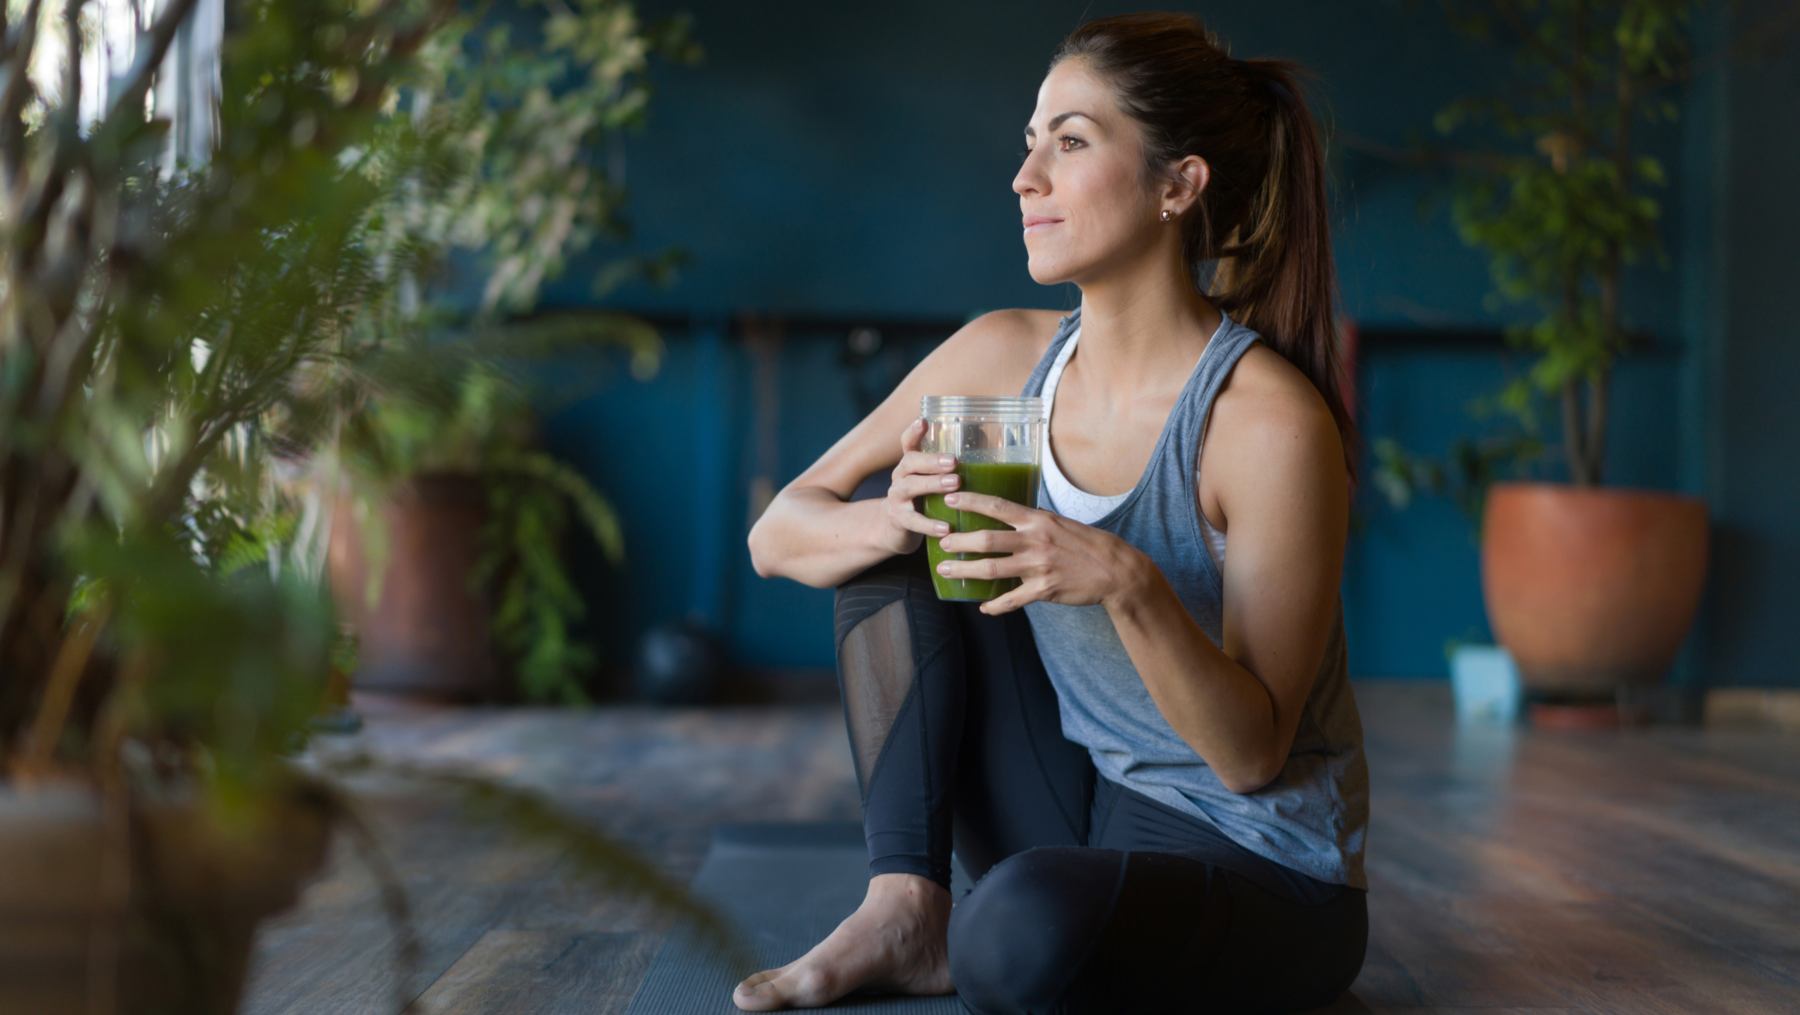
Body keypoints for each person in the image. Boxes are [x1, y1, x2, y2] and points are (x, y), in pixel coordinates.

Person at [740, 12, 1368, 1013]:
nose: (1025, 177)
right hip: (1088, 802)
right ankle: (906, 903)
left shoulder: (1264, 424)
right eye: (1030, 143)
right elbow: (779, 531)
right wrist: (900, 523)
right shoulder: (1002, 357)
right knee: (893, 560)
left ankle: (999, 920)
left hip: (1260, 865)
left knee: (1020, 931)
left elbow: (1252, 756)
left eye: (1069, 142)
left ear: (1179, 184)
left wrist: (1127, 582)